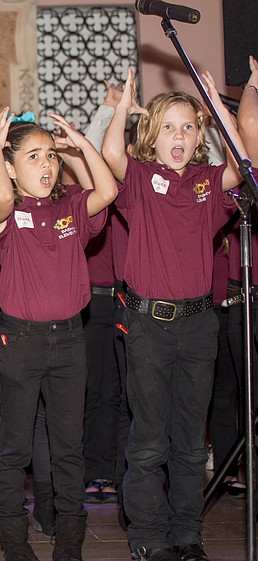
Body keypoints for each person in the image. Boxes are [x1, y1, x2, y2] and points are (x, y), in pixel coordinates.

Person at [101, 68, 247, 561]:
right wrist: (122, 106)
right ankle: (149, 535)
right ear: (152, 136)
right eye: (168, 127)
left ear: (199, 135)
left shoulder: (209, 184)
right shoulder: (141, 179)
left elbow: (244, 163)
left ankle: (187, 534)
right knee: (149, 442)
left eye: (188, 126)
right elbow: (112, 156)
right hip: (149, 326)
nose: (179, 136)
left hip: (200, 325)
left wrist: (218, 108)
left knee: (188, 442)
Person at [0, 108, 117, 561]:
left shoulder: (71, 209)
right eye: (33, 157)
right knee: (15, 449)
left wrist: (80, 144)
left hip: (69, 343)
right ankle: (17, 544)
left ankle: (69, 545)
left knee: (68, 450)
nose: (46, 165)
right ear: (12, 168)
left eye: (50, 157)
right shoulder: (4, 212)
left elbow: (109, 190)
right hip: (19, 344)